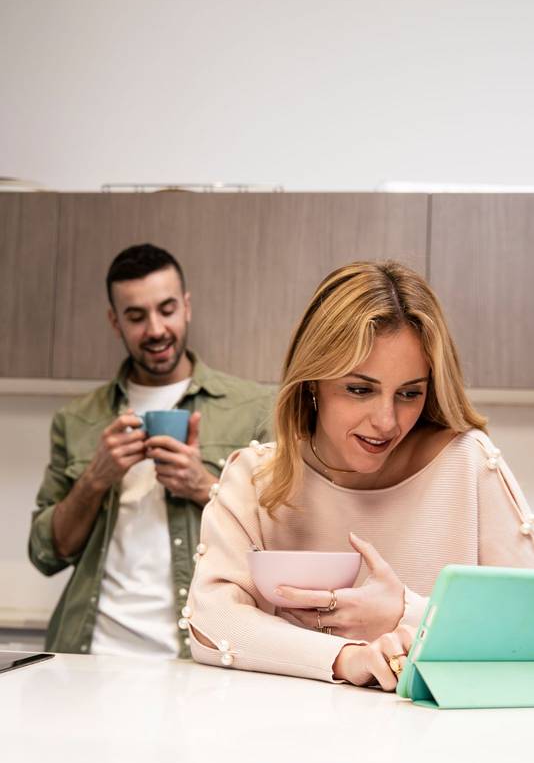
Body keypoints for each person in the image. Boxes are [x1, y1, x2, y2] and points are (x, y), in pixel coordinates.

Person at [186, 261, 534, 690]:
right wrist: (344, 659)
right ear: (312, 380)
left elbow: (526, 623)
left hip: (441, 749)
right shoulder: (253, 478)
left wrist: (403, 612)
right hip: (286, 743)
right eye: (359, 389)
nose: (386, 422)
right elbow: (210, 621)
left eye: (409, 394)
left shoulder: (467, 464)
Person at [30, 243, 273, 659]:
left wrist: (207, 488)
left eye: (167, 309)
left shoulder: (253, 408)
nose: (156, 329)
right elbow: (46, 554)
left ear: (187, 307)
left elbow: (282, 544)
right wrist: (95, 478)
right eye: (136, 316)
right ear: (115, 322)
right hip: (88, 654)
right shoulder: (77, 419)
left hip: (203, 654)